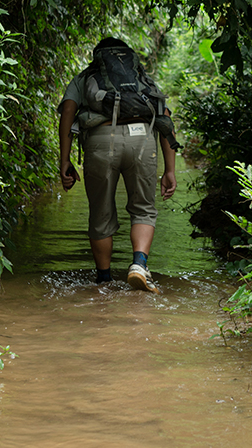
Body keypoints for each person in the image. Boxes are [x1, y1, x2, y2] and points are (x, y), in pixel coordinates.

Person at [57, 38, 178, 291]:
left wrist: (65, 160)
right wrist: (170, 170)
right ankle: (138, 264)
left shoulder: (86, 77)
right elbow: (164, 117)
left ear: (98, 57)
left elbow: (68, 111)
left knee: (100, 212)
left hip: (101, 140)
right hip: (143, 140)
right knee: (143, 208)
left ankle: (103, 281)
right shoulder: (142, 79)